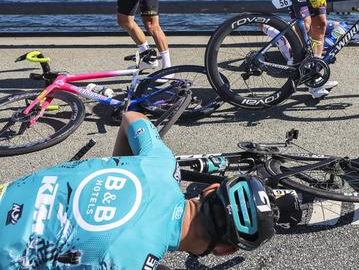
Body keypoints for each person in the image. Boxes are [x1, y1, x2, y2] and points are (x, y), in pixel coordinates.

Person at [0, 111, 275, 269]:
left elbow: (131, 117)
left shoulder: (161, 163)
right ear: (224, 251)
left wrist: (120, 165)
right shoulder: (128, 262)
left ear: (210, 188)